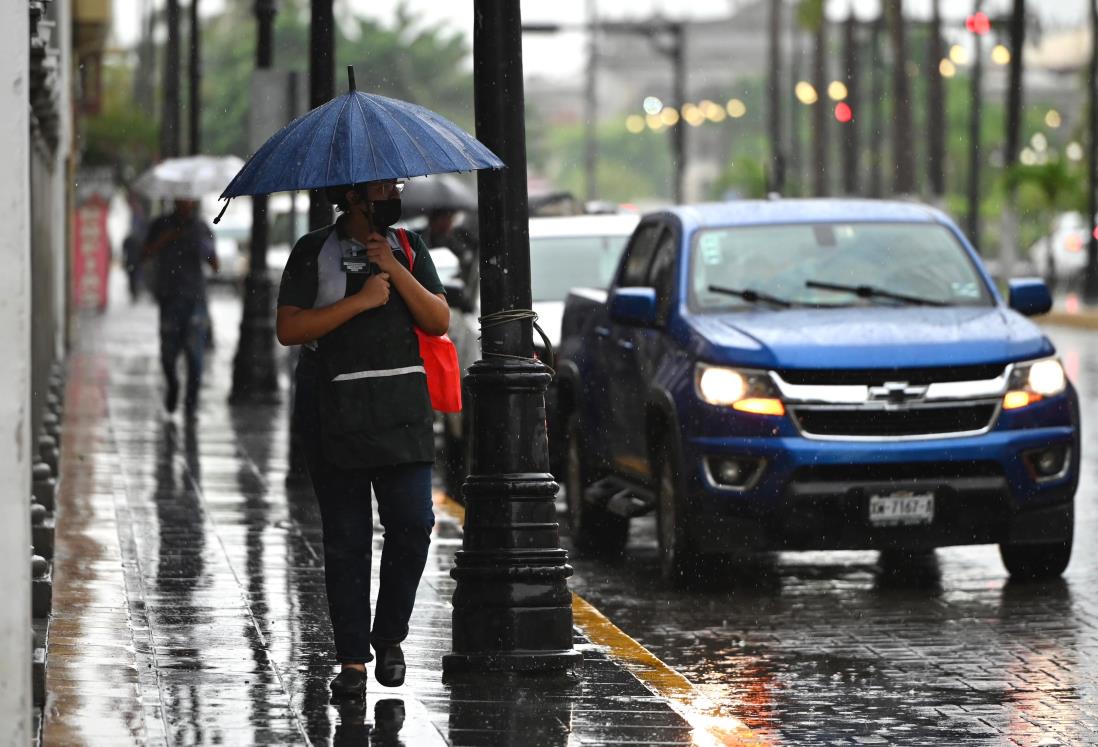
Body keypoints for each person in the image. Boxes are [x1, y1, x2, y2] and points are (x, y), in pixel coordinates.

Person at [275, 178, 449, 699]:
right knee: (347, 539)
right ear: (353, 195)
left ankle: (389, 636)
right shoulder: (314, 251)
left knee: (413, 523)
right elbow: (290, 329)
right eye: (383, 184)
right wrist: (363, 300)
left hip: (401, 412)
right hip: (335, 411)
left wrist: (393, 269)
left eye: (397, 182)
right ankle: (352, 659)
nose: (396, 190)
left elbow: (438, 319)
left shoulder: (409, 247)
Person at [143, 199, 219, 417]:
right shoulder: (160, 224)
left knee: (195, 357)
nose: (186, 203)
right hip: (169, 299)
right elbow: (145, 254)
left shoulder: (201, 227)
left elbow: (215, 265)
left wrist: (202, 247)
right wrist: (168, 237)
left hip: (196, 301)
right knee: (168, 355)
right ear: (175, 199)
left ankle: (191, 403)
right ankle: (173, 386)